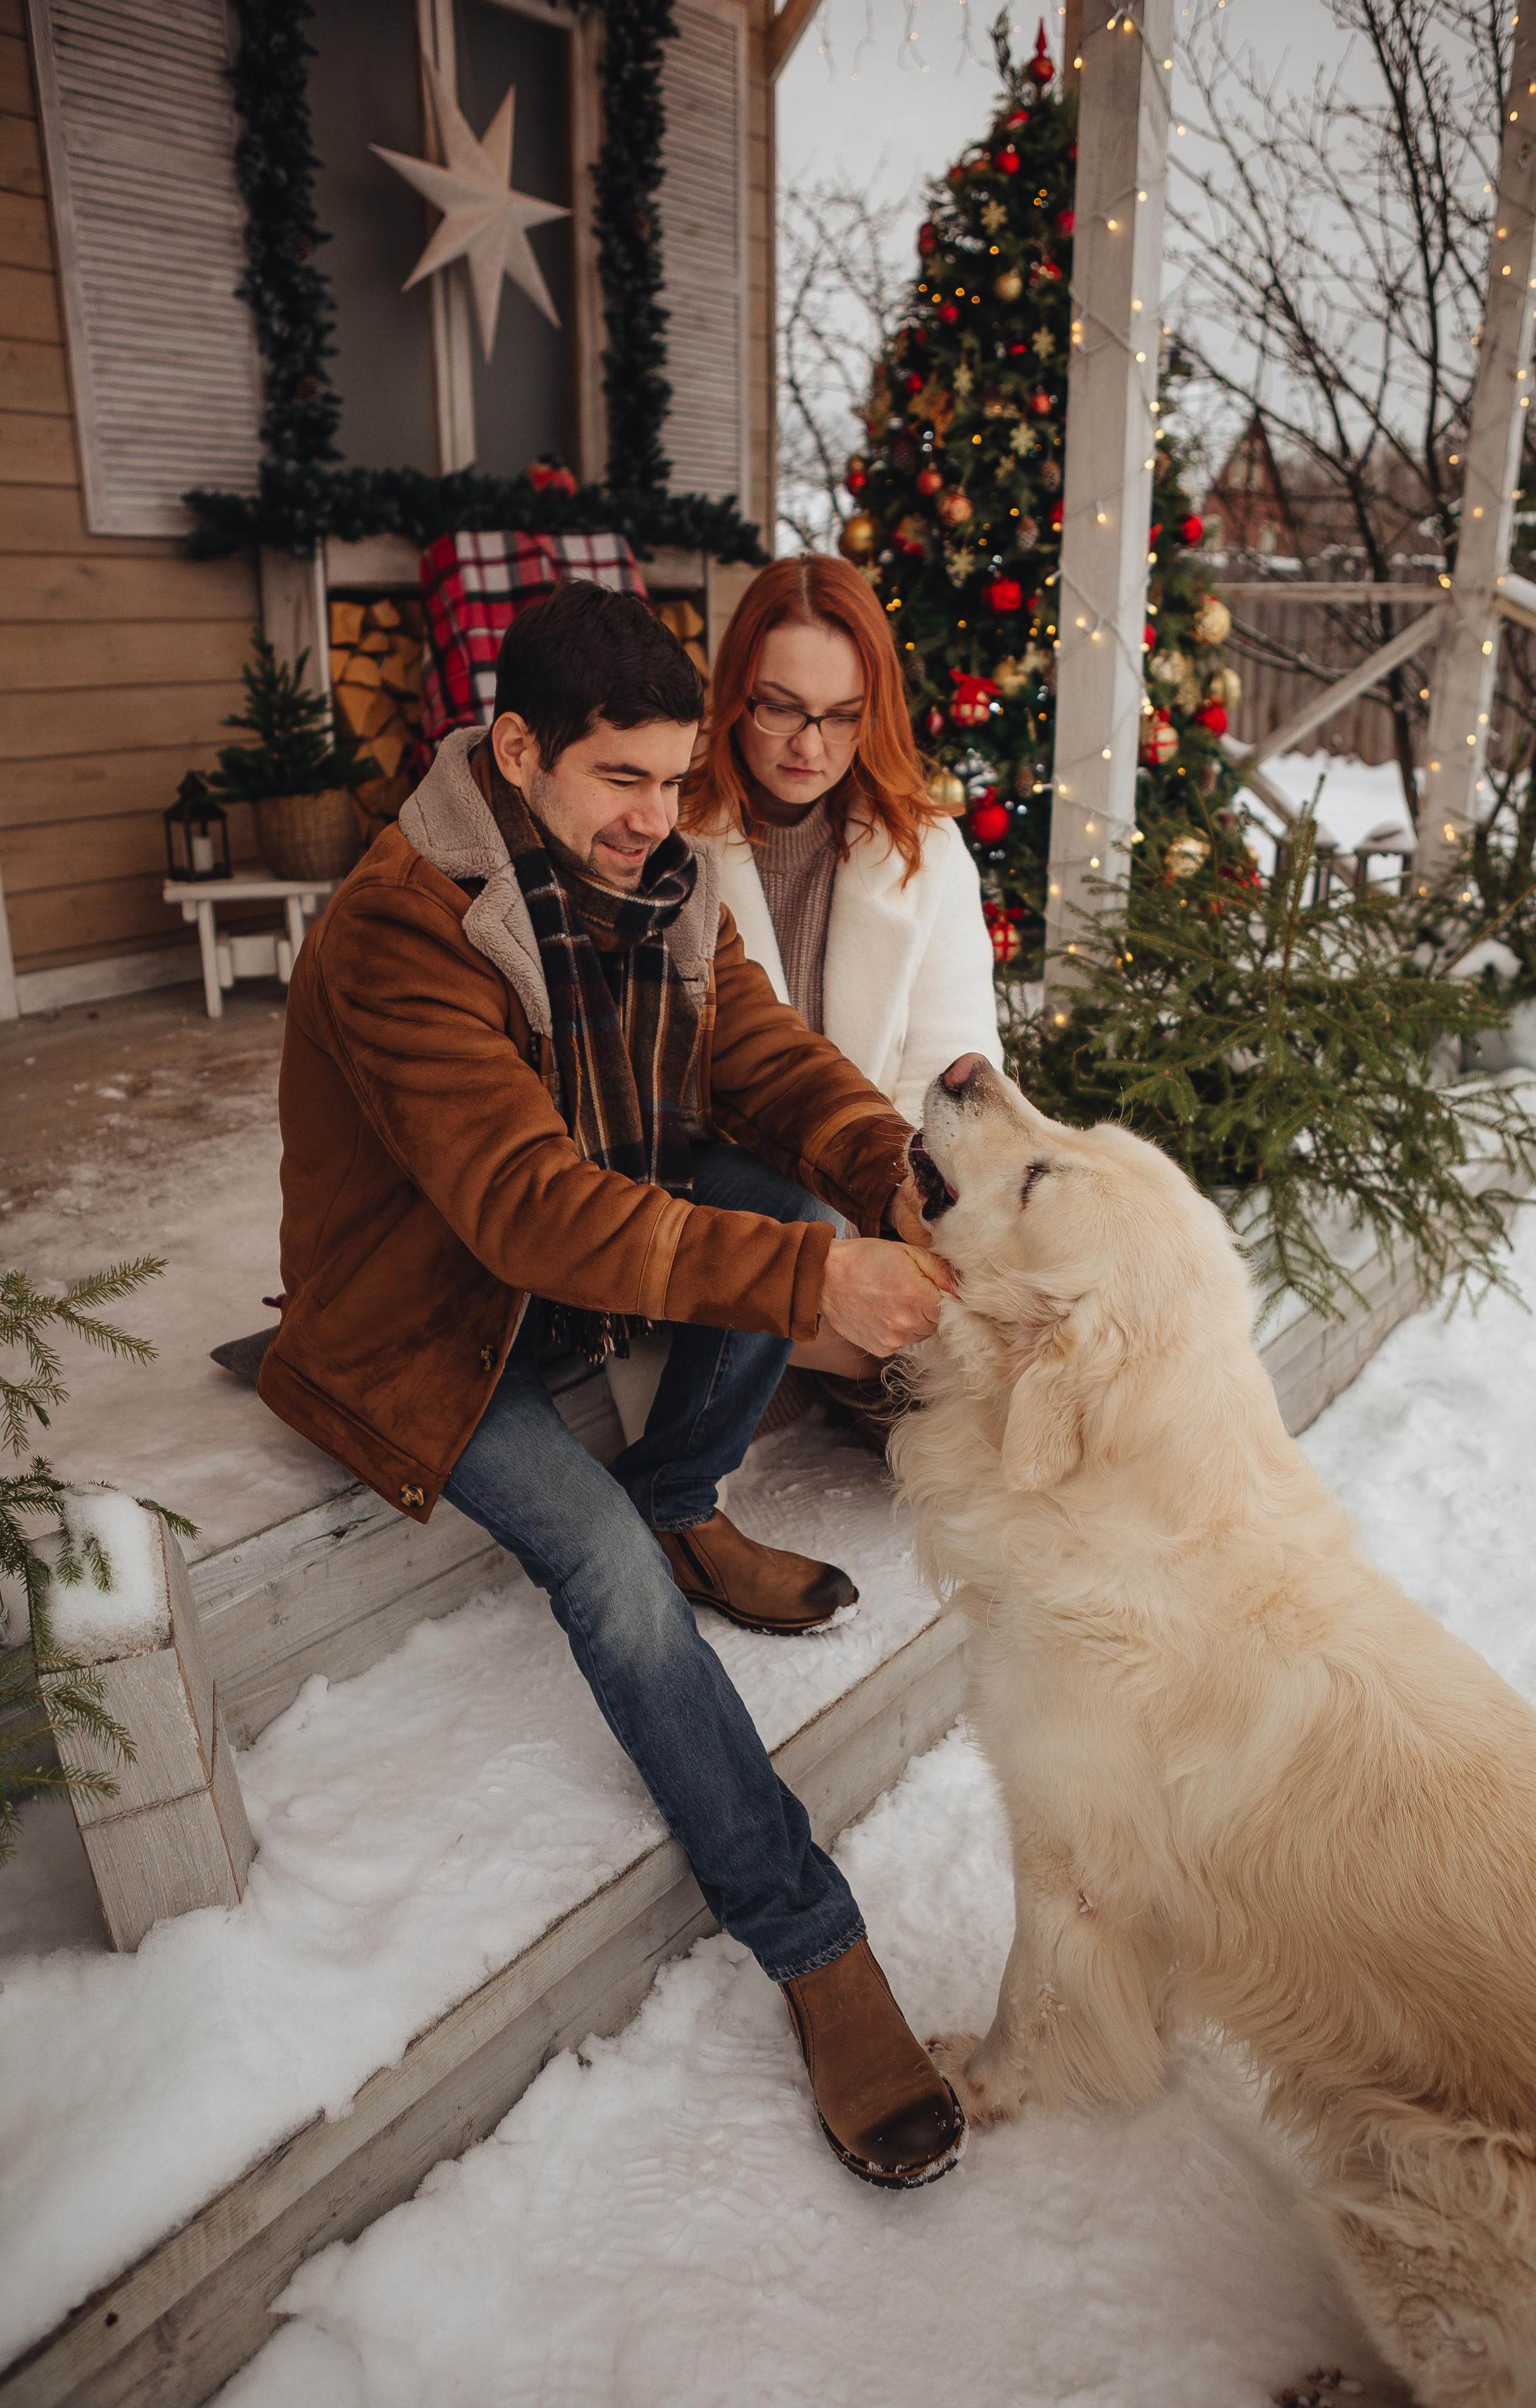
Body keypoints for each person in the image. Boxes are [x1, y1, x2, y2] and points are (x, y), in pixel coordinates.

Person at [258, 578, 967, 2191]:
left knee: (789, 1200)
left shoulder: (666, 880)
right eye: (621, 779)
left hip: (585, 1254)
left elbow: (763, 1060)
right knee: (602, 1569)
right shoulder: (399, 929)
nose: (659, 815)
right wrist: (815, 1286)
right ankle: (816, 1948)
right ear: (518, 752)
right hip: (433, 1320)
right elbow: (522, 1210)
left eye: (673, 777)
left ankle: (678, 1496)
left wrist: (895, 1176)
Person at [675, 554, 1003, 1427]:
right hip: (728, 1214)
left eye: (842, 715)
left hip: (883, 1199)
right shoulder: (664, 838)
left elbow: (948, 1079)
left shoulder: (927, 852)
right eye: (780, 707)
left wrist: (894, 1234)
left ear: (875, 712)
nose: (808, 746)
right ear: (735, 693)